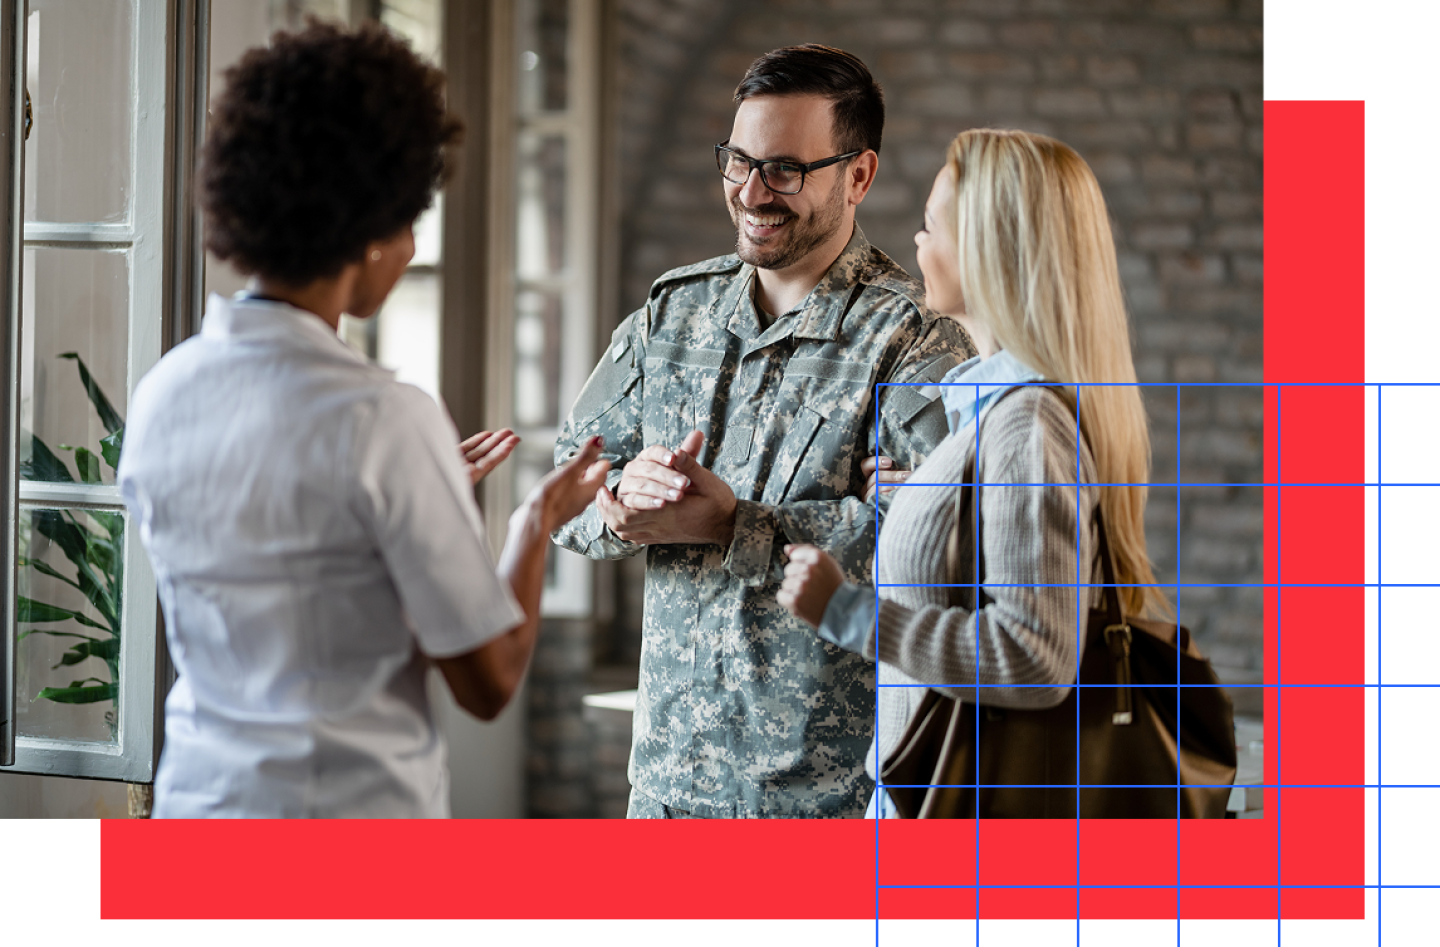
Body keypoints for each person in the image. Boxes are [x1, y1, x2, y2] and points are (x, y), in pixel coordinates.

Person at [117, 21, 608, 818]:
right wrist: (536, 517)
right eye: (409, 220)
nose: (413, 247)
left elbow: (297, 595)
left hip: (198, 811)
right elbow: (488, 681)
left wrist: (421, 497)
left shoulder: (165, 391)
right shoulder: (385, 420)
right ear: (369, 224)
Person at [552, 45, 974, 818]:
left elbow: (939, 552)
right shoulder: (670, 314)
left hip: (829, 805)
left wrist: (737, 525)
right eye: (738, 162)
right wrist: (617, 503)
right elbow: (565, 485)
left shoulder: (917, 341)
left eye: (784, 169)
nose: (752, 192)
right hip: (668, 792)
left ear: (858, 175)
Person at [778, 128, 1168, 818]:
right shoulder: (1000, 416)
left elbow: (1034, 657)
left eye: (932, 225)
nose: (918, 244)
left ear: (988, 248)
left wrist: (846, 611)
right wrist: (935, 504)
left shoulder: (1023, 424)